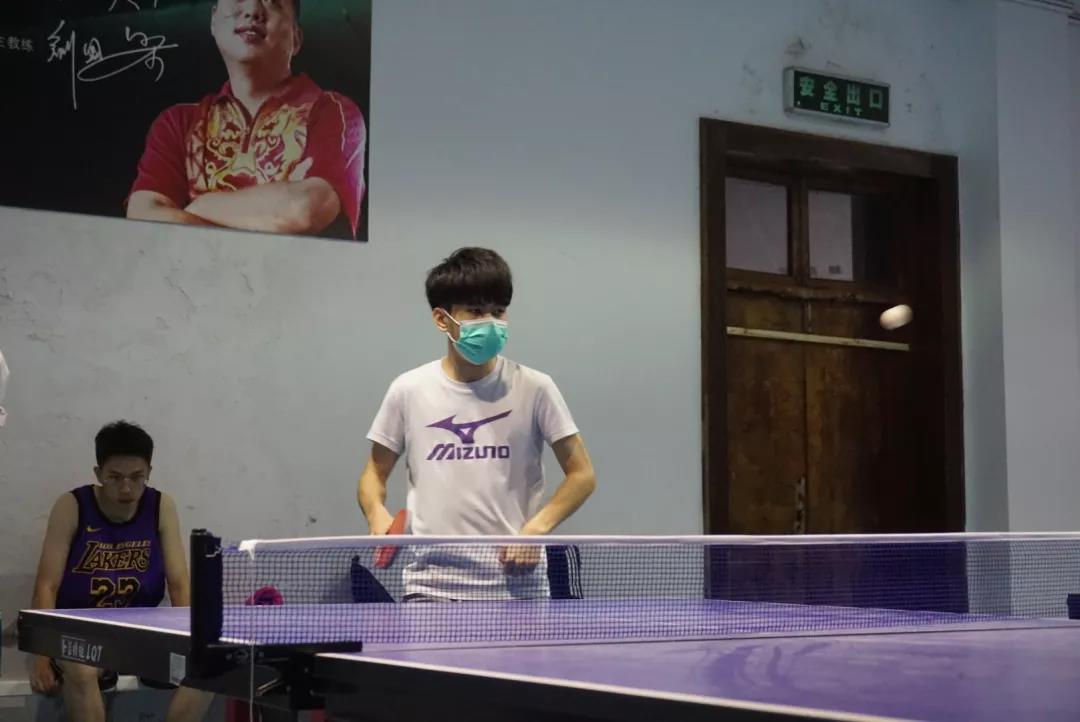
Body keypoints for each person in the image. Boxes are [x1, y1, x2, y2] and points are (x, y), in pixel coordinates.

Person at [357, 247, 597, 601]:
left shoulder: (536, 388)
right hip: (431, 590)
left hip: (519, 590)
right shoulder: (408, 390)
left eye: (498, 311)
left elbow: (582, 475)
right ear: (442, 319)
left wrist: (536, 530)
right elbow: (374, 474)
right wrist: (376, 513)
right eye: (475, 311)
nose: (490, 322)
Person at [126, 0, 366, 239]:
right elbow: (143, 217)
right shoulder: (178, 123)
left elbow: (303, 210)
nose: (253, 11)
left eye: (273, 3)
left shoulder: (332, 112)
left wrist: (200, 206)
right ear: (214, 20)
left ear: (296, 38)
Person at [28, 421, 212, 722]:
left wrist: (193, 642)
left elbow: (179, 584)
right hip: (81, 631)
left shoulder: (161, 506)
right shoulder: (72, 505)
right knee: (81, 671)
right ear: (98, 473)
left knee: (208, 667)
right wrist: (41, 654)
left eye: (136, 477)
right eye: (115, 477)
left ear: (149, 472)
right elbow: (47, 585)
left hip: (142, 631)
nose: (126, 487)